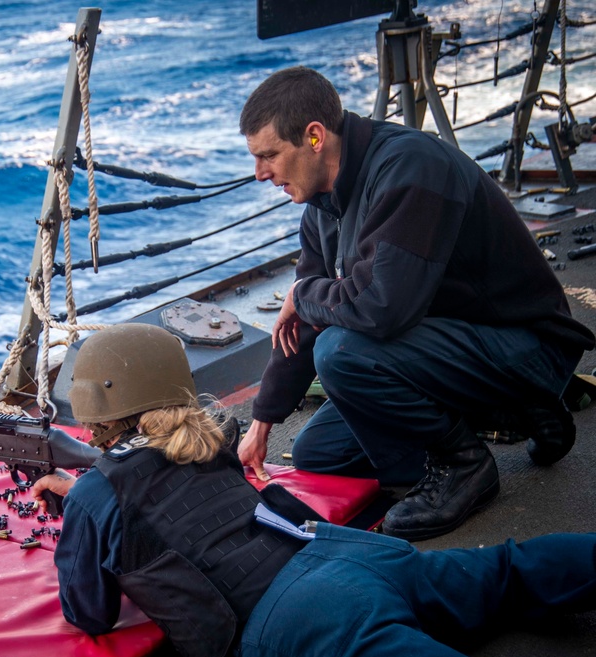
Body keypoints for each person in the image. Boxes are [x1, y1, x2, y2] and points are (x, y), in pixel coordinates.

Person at [38, 322, 596, 657]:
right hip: (346, 552)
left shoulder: (95, 497)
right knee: (508, 572)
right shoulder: (205, 442)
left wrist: (80, 514)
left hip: (304, 620)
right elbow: (165, 486)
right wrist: (90, 496)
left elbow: (89, 612)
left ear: (97, 413)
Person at [235, 66, 594, 540]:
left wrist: (303, 295)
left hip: (525, 345)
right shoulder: (323, 205)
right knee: (319, 454)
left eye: (269, 156)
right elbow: (300, 325)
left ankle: (463, 467)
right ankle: (514, 412)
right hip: (449, 347)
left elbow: (381, 310)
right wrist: (262, 422)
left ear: (315, 137)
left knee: (342, 351)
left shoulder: (409, 167)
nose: (261, 174)